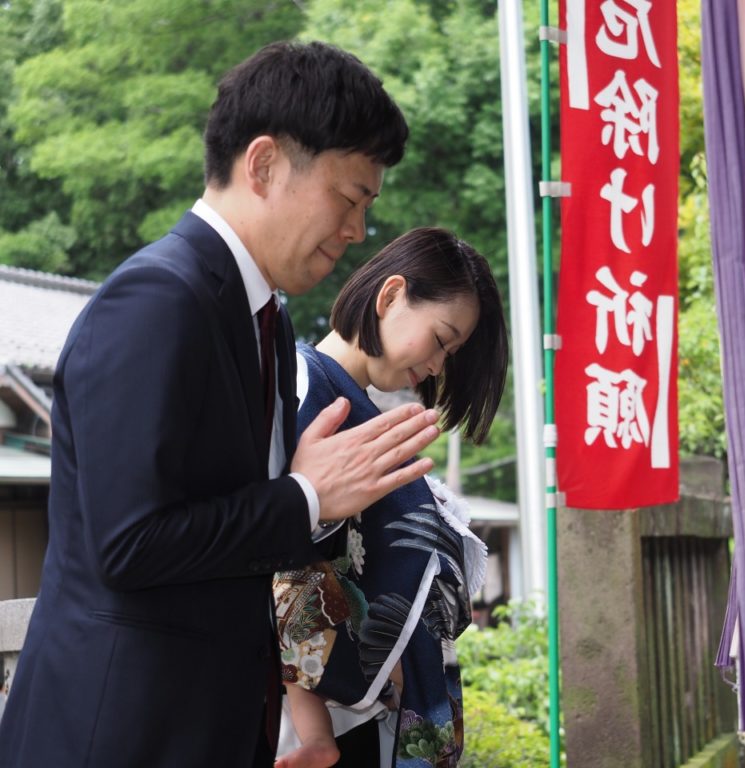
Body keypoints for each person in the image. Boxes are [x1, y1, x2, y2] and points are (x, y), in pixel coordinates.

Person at [0, 42, 444, 768]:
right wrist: (304, 495)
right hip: (120, 733)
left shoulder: (257, 314)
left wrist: (308, 498)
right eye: (350, 197)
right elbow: (128, 543)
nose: (359, 230)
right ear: (264, 164)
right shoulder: (158, 300)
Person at [271, 227, 508, 768]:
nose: (437, 366)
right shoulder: (310, 389)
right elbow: (286, 559)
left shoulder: (354, 407)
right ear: (391, 295)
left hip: (361, 717)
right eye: (442, 339)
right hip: (331, 715)